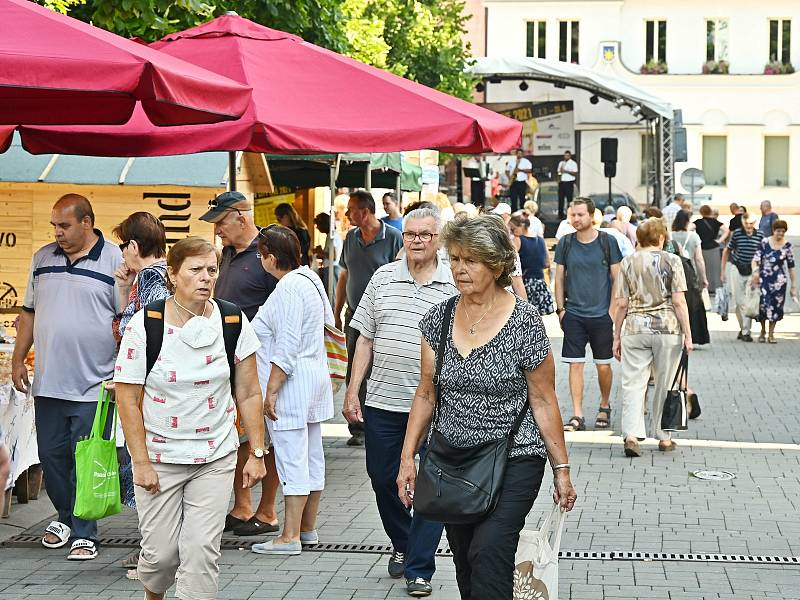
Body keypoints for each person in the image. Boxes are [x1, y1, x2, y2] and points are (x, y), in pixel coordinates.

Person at [396, 213, 576, 600]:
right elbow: (426, 394)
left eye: (471, 260)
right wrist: (408, 456)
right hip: (454, 460)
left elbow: (544, 400)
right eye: (455, 259)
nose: (460, 269)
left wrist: (561, 470)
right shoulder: (438, 319)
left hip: (515, 456)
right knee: (466, 559)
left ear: (495, 265)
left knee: (489, 550)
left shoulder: (524, 321)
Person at [114, 237, 267, 600]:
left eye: (212, 269)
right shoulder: (145, 324)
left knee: (201, 556)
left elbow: (248, 392)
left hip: (214, 458)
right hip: (159, 459)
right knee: (161, 558)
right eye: (195, 270)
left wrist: (258, 452)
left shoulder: (231, 319)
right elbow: (127, 397)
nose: (206, 277)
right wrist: (140, 463)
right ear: (172, 273)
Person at [343, 207, 457, 597]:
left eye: (426, 234)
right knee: (382, 478)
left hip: (439, 407)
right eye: (411, 234)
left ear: (439, 239)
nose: (417, 241)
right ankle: (406, 541)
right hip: (383, 401)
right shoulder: (383, 278)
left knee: (432, 487)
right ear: (402, 236)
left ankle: (419, 566)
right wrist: (351, 389)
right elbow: (365, 339)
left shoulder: (454, 284)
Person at [12, 194, 122, 560]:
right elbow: (28, 313)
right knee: (52, 456)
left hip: (96, 385)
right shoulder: (42, 258)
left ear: (87, 222)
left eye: (65, 225)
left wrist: (123, 373)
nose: (57, 232)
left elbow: (125, 322)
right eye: (54, 226)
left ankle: (84, 532)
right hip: (49, 382)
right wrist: (17, 360)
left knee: (86, 458)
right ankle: (65, 516)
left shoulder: (115, 260)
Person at [249, 225, 334, 556]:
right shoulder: (310, 279)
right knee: (311, 456)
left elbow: (286, 345)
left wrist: (270, 391)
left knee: (290, 458)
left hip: (291, 384)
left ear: (270, 258)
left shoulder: (287, 289)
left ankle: (289, 537)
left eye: (261, 255)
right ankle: (307, 528)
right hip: (313, 377)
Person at [200, 191, 280, 537]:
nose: (217, 230)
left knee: (267, 438)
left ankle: (268, 509)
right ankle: (242, 505)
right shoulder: (229, 254)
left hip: (260, 361)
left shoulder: (267, 253)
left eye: (221, 223)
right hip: (228, 357)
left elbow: (282, 310)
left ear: (241, 218)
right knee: (238, 435)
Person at [612, 218, 693, 456]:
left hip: (635, 329)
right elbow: (679, 301)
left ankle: (631, 435)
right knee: (665, 383)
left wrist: (616, 336)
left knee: (633, 383)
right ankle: (664, 437)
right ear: (661, 238)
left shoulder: (628, 262)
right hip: (667, 330)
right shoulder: (672, 261)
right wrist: (688, 334)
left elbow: (621, 304)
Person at [335, 190, 404, 446]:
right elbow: (344, 276)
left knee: (381, 369)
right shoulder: (350, 238)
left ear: (364, 212)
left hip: (384, 317)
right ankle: (358, 427)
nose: (346, 214)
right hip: (354, 315)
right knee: (355, 370)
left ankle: (380, 423)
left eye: (350, 209)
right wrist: (337, 312)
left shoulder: (394, 238)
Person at [554, 198, 622, 432]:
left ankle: (604, 405)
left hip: (601, 314)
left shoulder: (607, 241)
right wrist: (561, 309)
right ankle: (577, 414)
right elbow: (559, 277)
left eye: (580, 215)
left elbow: (617, 278)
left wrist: (612, 311)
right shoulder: (566, 243)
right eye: (573, 215)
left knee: (603, 365)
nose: (575, 219)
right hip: (573, 313)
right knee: (575, 364)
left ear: (592, 215)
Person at [112, 212, 170, 343]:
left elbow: (125, 333)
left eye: (122, 247)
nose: (122, 255)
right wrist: (125, 288)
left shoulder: (149, 276)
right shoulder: (172, 271)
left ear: (133, 246)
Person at [752, 220, 798, 343]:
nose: (780, 234)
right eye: (778, 231)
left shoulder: (787, 246)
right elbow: (755, 259)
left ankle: (771, 333)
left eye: (783, 232)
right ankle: (762, 331)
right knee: (763, 306)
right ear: (773, 231)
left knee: (776, 307)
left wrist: (794, 285)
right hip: (764, 279)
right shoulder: (765, 242)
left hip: (779, 281)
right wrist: (755, 272)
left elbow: (791, 267)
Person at [721, 213, 764, 342]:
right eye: (746, 224)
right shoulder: (738, 234)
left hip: (753, 270)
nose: (749, 226)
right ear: (743, 222)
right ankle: (742, 328)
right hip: (737, 268)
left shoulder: (760, 235)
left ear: (755, 223)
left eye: (751, 223)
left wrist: (759, 272)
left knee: (747, 301)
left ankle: (746, 331)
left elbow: (763, 254)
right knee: (738, 302)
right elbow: (726, 251)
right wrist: (722, 272)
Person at [671, 210, 710, 345]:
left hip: (673, 271)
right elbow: (699, 259)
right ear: (687, 222)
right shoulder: (694, 237)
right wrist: (703, 277)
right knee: (692, 304)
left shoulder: (670, 236)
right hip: (689, 272)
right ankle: (692, 334)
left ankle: (677, 332)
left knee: (675, 302)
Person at [509, 214, 554, 317]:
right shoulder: (541, 240)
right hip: (539, 283)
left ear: (521, 226)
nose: (511, 232)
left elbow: (512, 264)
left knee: (522, 318)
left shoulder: (517, 240)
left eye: (512, 228)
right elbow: (547, 263)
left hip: (523, 285)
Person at [694, 205, 726, 292]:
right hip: (714, 247)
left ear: (701, 212)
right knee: (715, 269)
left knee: (704, 268)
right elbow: (726, 230)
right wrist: (719, 240)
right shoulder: (715, 222)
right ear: (710, 211)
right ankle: (716, 288)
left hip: (702, 247)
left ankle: (704, 288)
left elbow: (689, 228)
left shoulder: (697, 222)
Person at [312, 212, 343, 302]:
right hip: (330, 268)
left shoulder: (332, 236)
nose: (317, 227)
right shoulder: (330, 235)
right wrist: (321, 252)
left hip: (332, 269)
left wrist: (319, 252)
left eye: (318, 225)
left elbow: (333, 256)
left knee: (331, 296)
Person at [556, 150, 578, 220]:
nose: (566, 156)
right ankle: (560, 214)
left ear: (570, 156)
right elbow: (559, 172)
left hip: (569, 182)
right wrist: (560, 173)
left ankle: (570, 214)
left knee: (569, 199)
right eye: (565, 155)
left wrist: (566, 171)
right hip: (562, 182)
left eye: (567, 155)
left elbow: (575, 173)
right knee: (561, 199)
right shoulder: (561, 163)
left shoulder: (573, 163)